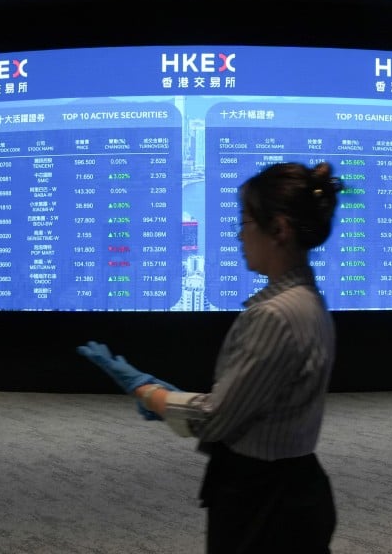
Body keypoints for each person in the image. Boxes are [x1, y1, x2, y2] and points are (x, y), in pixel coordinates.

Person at [79, 161, 344, 553]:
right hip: (293, 487)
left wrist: (148, 391)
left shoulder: (275, 315)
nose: (239, 235)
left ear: (280, 229)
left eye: (245, 221)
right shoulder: (307, 301)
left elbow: (215, 419)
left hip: (265, 502)